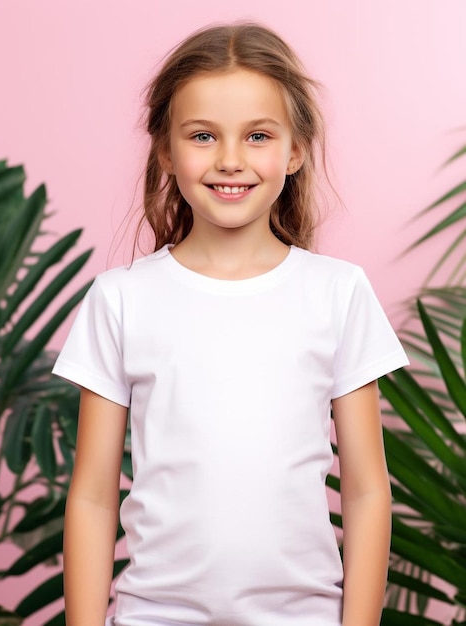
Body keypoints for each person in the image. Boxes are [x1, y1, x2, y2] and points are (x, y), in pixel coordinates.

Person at [53, 22, 409, 626]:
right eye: (202, 135)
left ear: (295, 150)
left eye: (258, 135)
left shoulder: (337, 293)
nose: (230, 160)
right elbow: (90, 497)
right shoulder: (121, 299)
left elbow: (368, 492)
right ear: (165, 150)